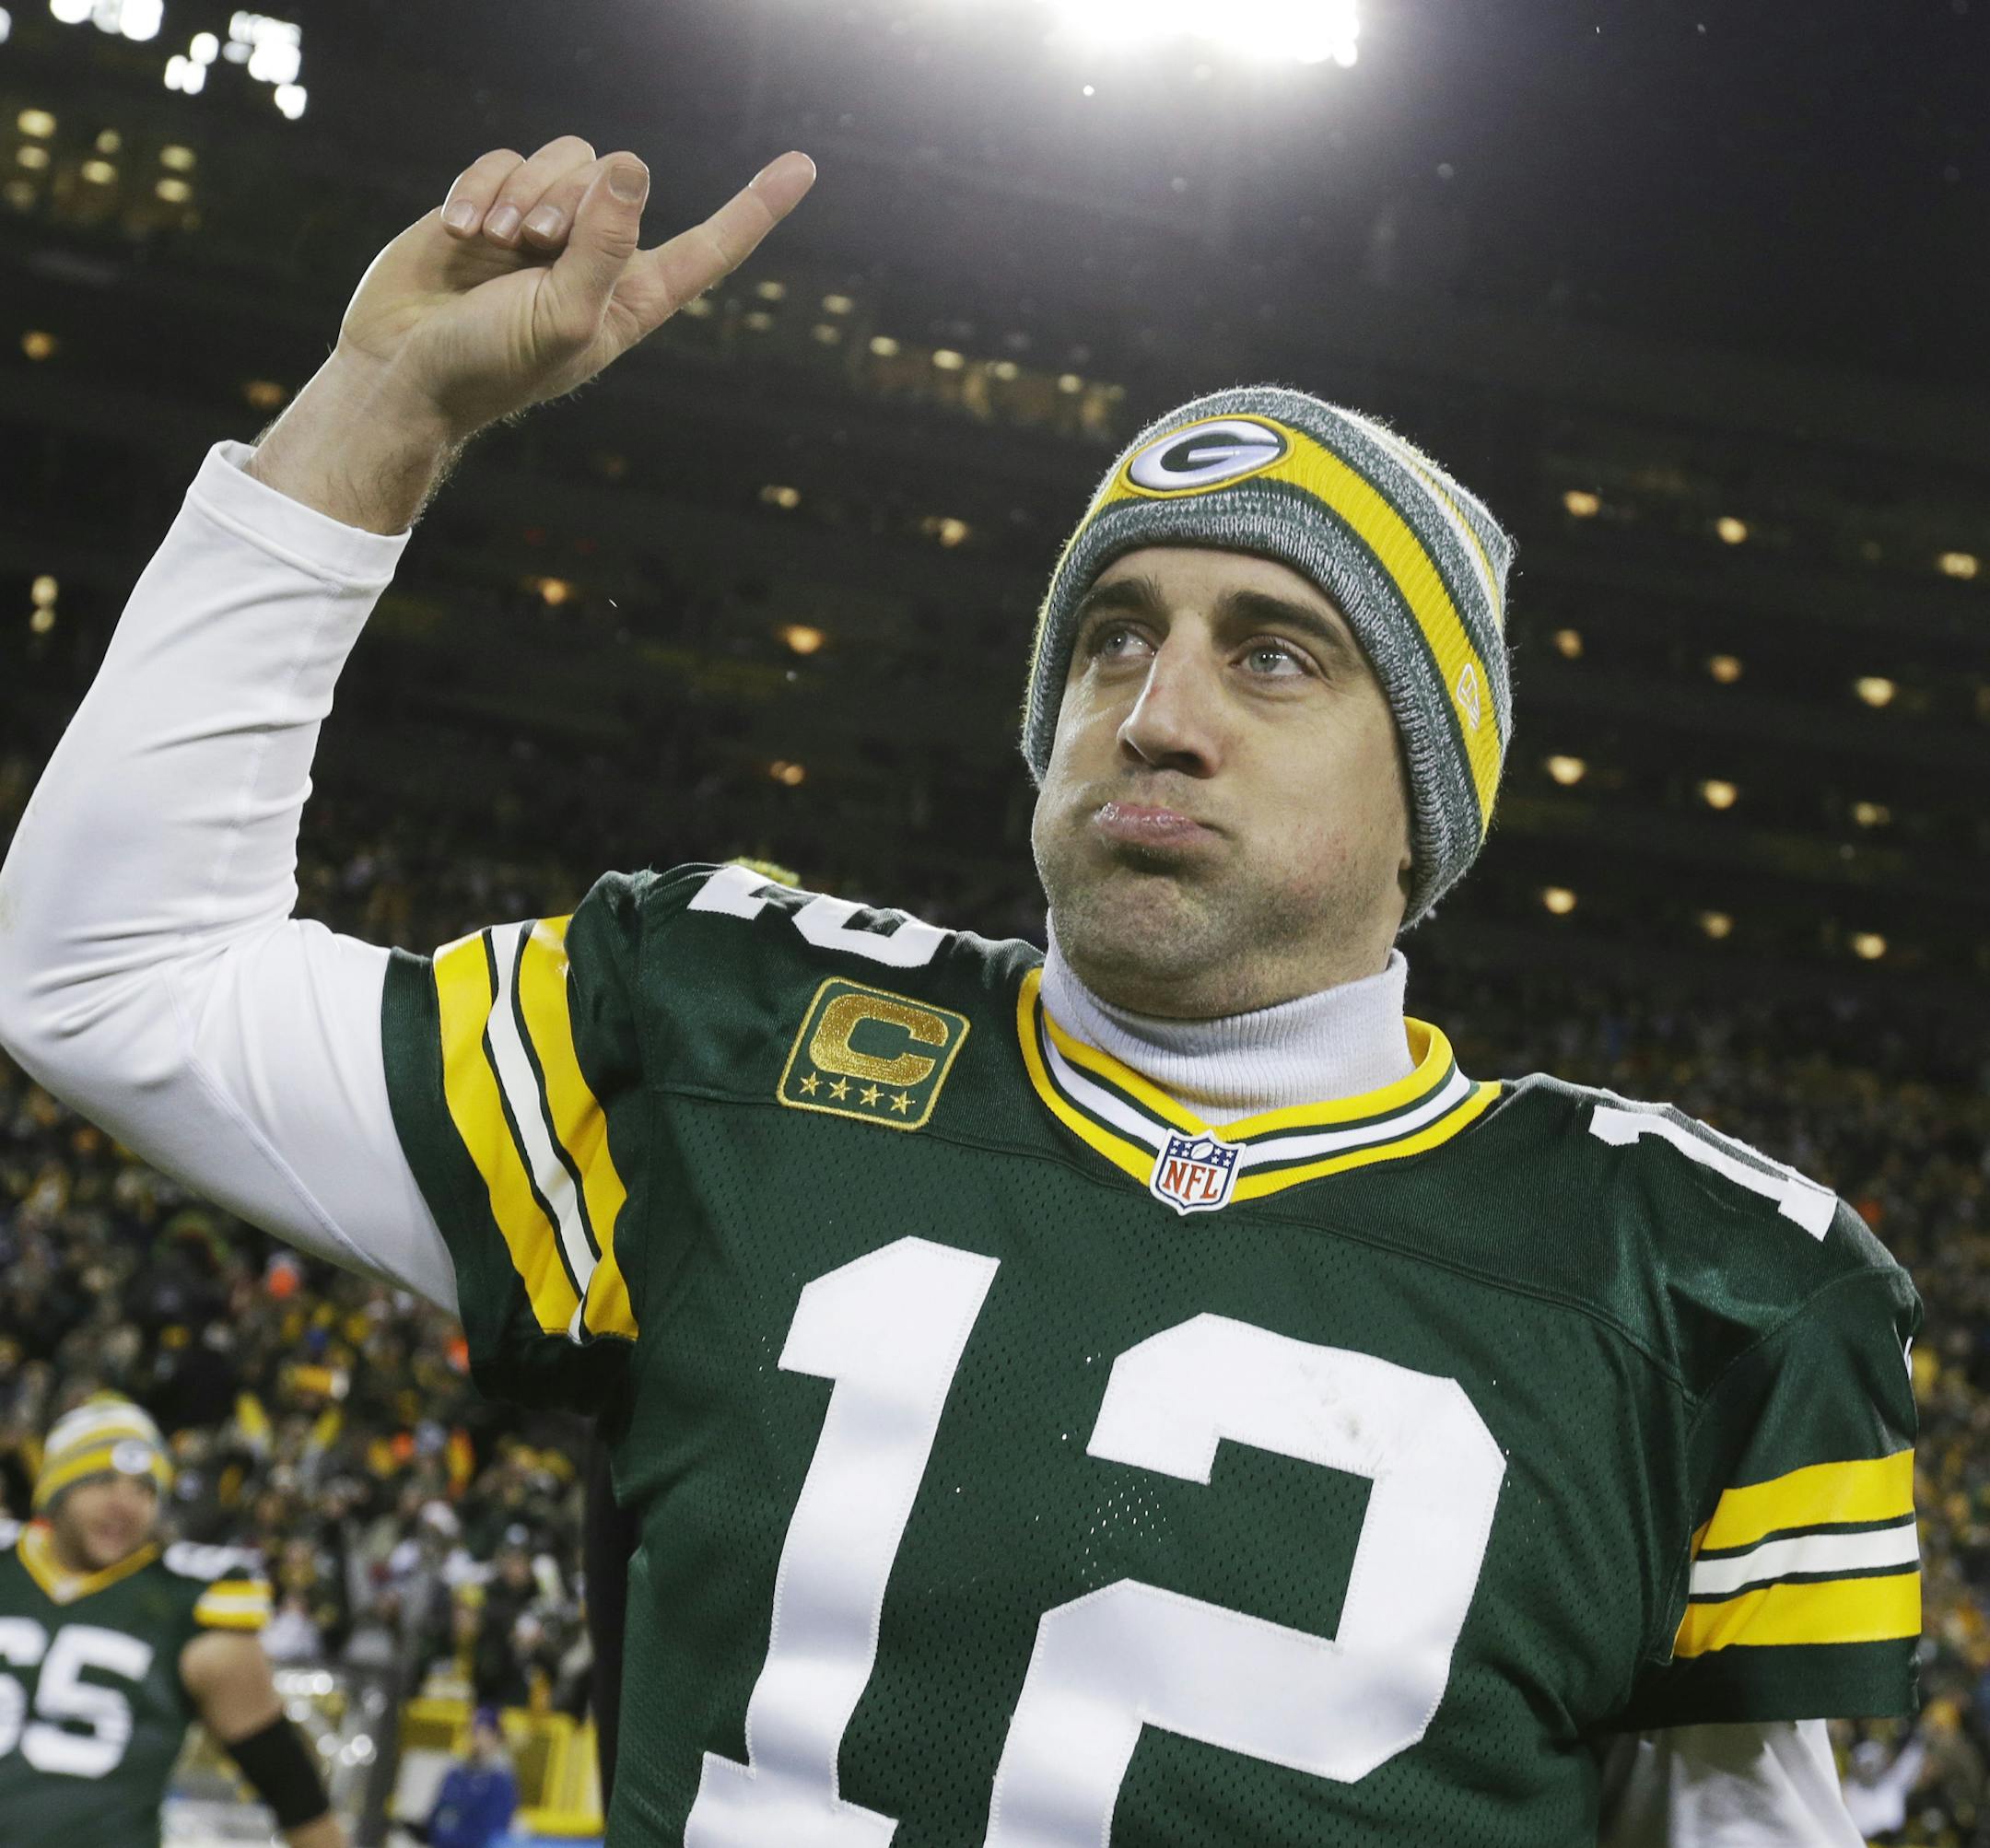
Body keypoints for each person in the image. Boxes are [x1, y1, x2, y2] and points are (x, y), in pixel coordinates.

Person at [0, 133, 1922, 1846]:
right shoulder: (725, 1030)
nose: (1155, 714)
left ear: (1431, 788)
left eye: (1273, 655)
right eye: (1113, 639)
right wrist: (382, 408)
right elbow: (108, 974)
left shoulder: (1700, 1294)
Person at [0, 1396, 345, 1846]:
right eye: (101, 1481)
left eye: (144, 1489)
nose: (123, 1504)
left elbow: (290, 1787)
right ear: (56, 1488)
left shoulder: (188, 1601)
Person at [424, 1704, 519, 1848]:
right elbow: (436, 1816)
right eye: (472, 1732)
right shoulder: (455, 1773)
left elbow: (495, 1830)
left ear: (495, 1736)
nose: (475, 1739)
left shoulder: (500, 1780)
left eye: (482, 1732)